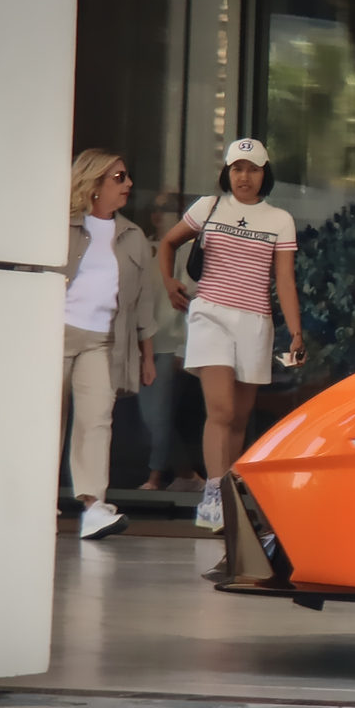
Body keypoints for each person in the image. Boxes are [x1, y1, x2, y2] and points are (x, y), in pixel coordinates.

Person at [153, 140, 307, 534]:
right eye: (237, 168)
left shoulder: (280, 219)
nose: (244, 176)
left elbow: (284, 279)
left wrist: (295, 332)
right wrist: (169, 283)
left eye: (253, 169)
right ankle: (213, 496)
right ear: (227, 172)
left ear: (264, 174)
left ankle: (225, 495)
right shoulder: (207, 207)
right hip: (210, 315)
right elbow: (169, 243)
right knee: (220, 410)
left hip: (255, 320)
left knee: (238, 417)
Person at [61, 150, 160, 542]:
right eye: (119, 177)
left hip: (104, 340)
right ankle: (40, 503)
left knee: (97, 419)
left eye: (126, 176)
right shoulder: (59, 227)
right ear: (94, 184)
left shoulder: (133, 236)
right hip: (57, 334)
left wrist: (147, 356)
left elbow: (143, 304)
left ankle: (93, 507)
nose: (128, 184)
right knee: (48, 419)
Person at [134, 191, 204, 492]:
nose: (159, 214)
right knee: (151, 417)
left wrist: (183, 348)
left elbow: (194, 300)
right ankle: (187, 475)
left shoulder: (186, 252)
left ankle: (154, 478)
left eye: (166, 209)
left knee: (159, 415)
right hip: (142, 343)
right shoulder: (144, 246)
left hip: (169, 343)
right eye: (155, 208)